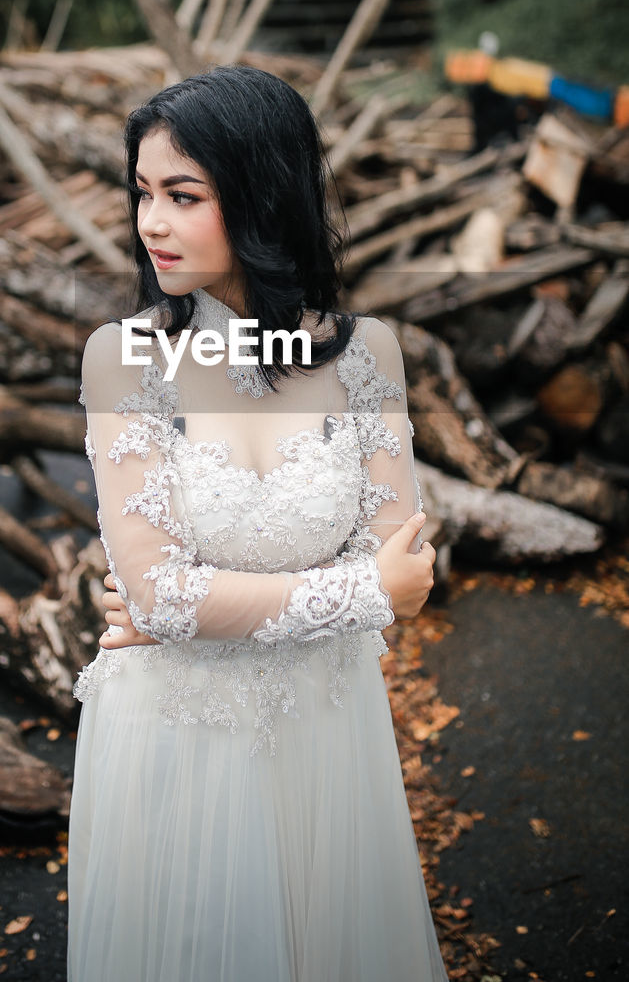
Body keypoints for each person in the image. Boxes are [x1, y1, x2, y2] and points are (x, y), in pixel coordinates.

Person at [67, 65, 447, 981]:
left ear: (260, 193)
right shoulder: (125, 362)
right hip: (176, 738)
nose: (149, 222)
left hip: (326, 735)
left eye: (182, 196)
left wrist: (198, 602)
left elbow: (409, 570)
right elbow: (162, 595)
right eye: (142, 194)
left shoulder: (366, 359)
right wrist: (358, 590)